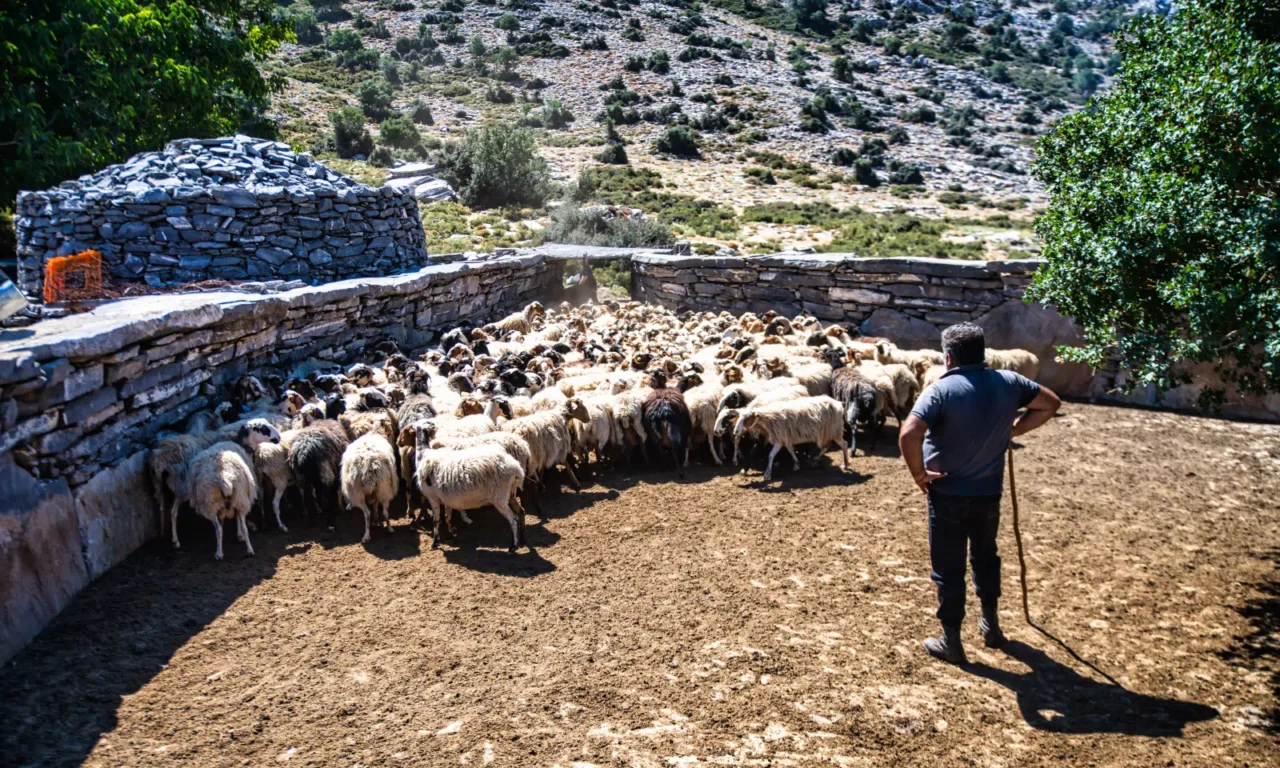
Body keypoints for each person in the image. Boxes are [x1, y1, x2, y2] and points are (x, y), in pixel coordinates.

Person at [898, 323, 1061, 663]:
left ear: (948, 356)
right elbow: (1049, 403)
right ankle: (991, 626)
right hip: (989, 493)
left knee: (948, 566)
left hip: (948, 494)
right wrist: (1013, 429)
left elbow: (909, 433)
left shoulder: (941, 390)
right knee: (986, 558)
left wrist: (918, 474)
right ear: (982, 353)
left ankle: (951, 641)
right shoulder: (1009, 381)